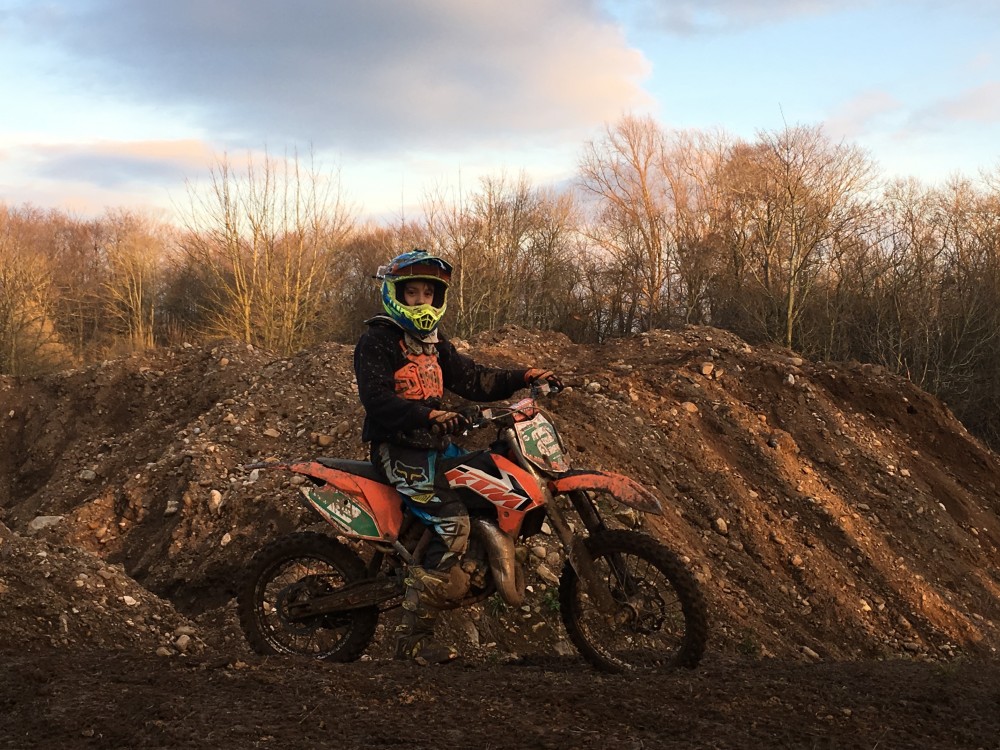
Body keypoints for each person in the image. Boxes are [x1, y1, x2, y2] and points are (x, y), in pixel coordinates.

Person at [353, 249, 561, 665]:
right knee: (453, 522)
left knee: (487, 485)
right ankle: (411, 642)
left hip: (433, 446)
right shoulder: (377, 340)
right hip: (398, 450)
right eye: (412, 293)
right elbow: (376, 400)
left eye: (428, 294)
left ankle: (471, 567)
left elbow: (473, 378)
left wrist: (523, 376)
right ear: (396, 294)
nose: (421, 301)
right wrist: (428, 415)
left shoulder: (433, 342)